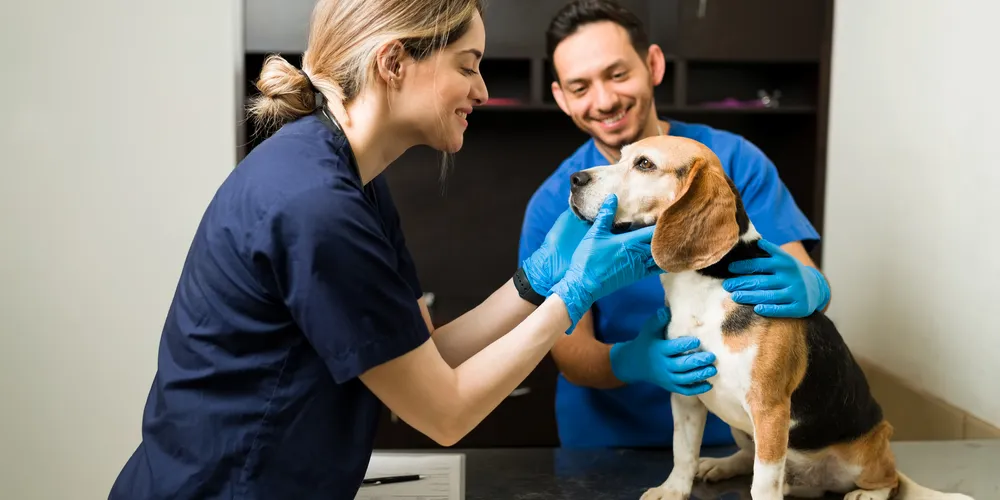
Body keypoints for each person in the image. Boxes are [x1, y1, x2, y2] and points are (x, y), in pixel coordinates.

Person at [108, 1, 665, 498]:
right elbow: (443, 412)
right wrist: (573, 295)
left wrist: (538, 278)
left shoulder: (354, 181)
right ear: (394, 61)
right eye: (468, 65)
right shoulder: (316, 205)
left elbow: (428, 356)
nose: (482, 90)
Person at [517, 0, 832, 449]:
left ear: (653, 65)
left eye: (618, 74)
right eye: (580, 86)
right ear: (561, 98)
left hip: (735, 437)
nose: (604, 101)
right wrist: (633, 360)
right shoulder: (557, 204)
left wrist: (812, 287)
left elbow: (805, 281)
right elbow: (569, 353)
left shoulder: (730, 163)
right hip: (609, 445)